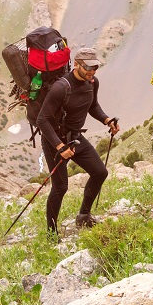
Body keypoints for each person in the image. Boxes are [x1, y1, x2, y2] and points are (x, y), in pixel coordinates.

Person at [37, 47, 120, 234]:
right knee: (60, 187)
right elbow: (42, 120)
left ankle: (84, 216)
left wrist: (107, 120)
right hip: (55, 141)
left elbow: (93, 106)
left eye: (95, 67)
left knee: (100, 172)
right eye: (87, 67)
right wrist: (59, 146)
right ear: (76, 64)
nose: (91, 71)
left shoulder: (92, 82)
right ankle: (51, 234)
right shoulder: (61, 87)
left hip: (75, 137)